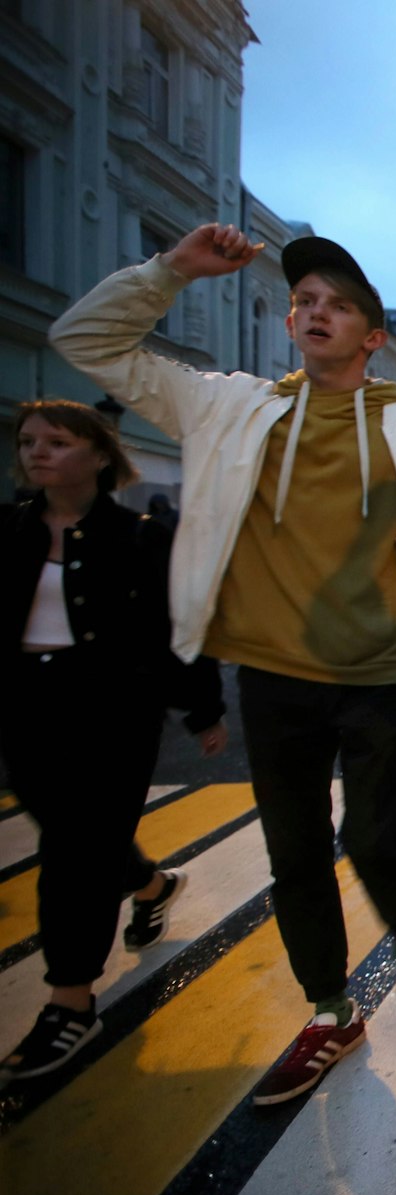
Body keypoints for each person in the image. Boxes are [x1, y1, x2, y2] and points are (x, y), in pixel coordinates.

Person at [49, 225, 396, 1107]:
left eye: (339, 304)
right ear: (291, 323)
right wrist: (172, 270)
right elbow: (84, 341)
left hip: (377, 676)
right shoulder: (229, 407)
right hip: (270, 676)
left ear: (374, 337)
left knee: (373, 839)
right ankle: (330, 1010)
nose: (316, 310)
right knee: (293, 853)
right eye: (306, 302)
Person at [0, 401, 226, 1082]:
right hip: (25, 707)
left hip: (113, 712)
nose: (38, 452)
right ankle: (154, 884)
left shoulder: (140, 537)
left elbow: (179, 625)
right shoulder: (7, 530)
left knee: (73, 849)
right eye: (28, 441)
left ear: (99, 454)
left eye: (58, 441)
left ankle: (71, 1000)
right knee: (76, 834)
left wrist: (203, 707)